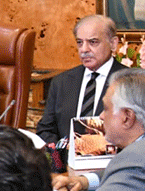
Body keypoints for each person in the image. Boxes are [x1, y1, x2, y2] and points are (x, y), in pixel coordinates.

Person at [35, 15, 127, 144]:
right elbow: (46, 130)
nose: (84, 50)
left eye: (93, 42)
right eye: (80, 42)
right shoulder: (61, 82)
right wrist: (59, 154)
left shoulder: (130, 82)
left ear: (113, 43)